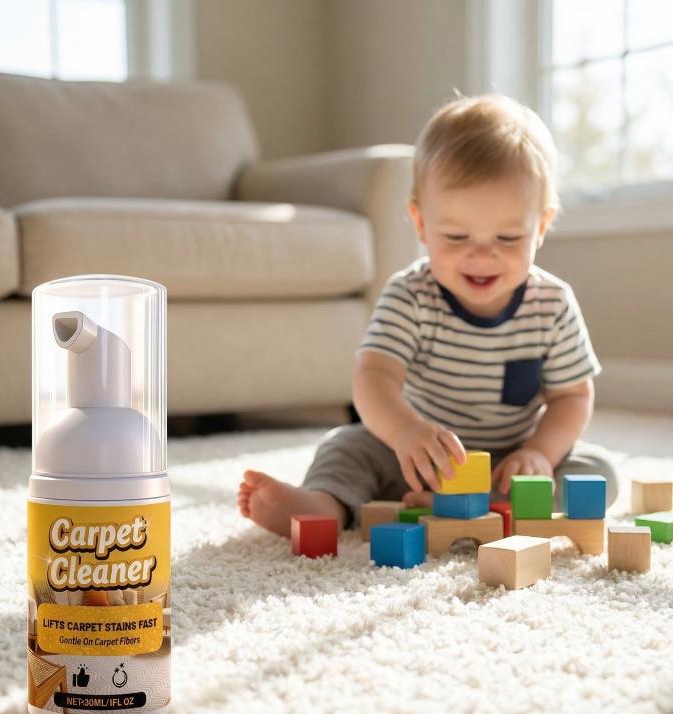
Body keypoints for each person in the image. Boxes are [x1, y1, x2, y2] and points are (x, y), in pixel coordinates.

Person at [238, 92, 618, 536]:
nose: (482, 255)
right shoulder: (410, 295)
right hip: (419, 459)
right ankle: (324, 505)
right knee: (347, 446)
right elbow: (374, 376)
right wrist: (404, 431)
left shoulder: (552, 304)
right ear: (420, 224)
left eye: (508, 238)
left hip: (508, 463)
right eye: (456, 237)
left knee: (597, 471)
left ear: (542, 227)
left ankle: (492, 505)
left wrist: (540, 453)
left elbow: (572, 397)